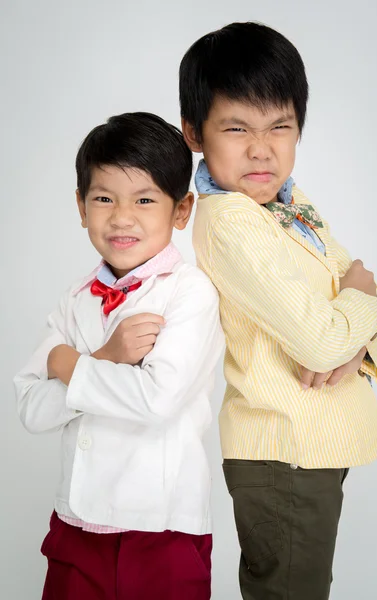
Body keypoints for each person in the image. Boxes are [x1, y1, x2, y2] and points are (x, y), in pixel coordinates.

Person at [179, 22, 377, 600]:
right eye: (236, 128)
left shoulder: (287, 202)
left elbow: (368, 286)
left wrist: (354, 335)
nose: (262, 148)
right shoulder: (230, 221)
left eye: (281, 126)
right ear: (194, 133)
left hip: (308, 449)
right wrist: (353, 319)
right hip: (282, 452)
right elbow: (346, 310)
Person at [14, 112, 223, 600]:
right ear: (81, 208)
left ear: (181, 210)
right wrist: (107, 356)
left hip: (162, 525)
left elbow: (155, 401)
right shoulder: (75, 297)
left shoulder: (189, 292)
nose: (122, 216)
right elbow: (30, 407)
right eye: (104, 198)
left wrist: (70, 365)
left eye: (145, 199)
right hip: (76, 523)